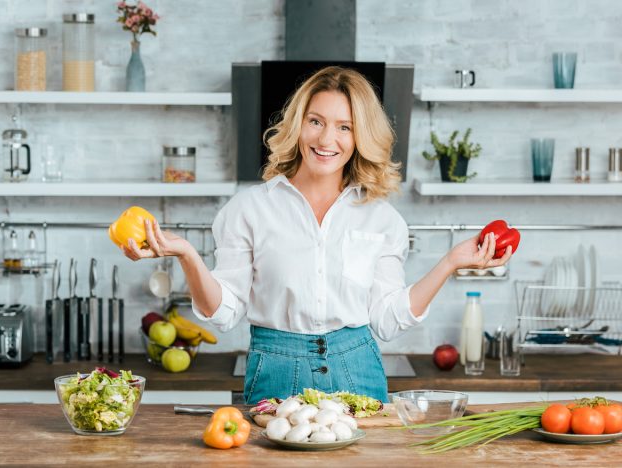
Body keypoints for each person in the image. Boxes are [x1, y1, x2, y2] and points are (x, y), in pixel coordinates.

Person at [122, 66, 512, 404]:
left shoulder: (383, 219)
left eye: (345, 127)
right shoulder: (248, 209)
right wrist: (188, 255)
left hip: (358, 369)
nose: (327, 140)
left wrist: (450, 263)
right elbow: (223, 313)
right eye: (316, 121)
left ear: (361, 137)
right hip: (276, 369)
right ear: (298, 125)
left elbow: (387, 321)